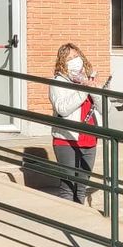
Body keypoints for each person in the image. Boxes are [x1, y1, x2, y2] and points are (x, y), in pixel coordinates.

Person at [49, 43, 98, 203]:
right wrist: (84, 90)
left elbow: (107, 109)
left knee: (82, 186)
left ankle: (79, 223)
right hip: (67, 139)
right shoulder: (57, 82)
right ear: (62, 62)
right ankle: (67, 223)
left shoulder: (87, 79)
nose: (74, 60)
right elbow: (62, 109)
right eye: (69, 58)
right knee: (68, 187)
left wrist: (95, 90)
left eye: (76, 56)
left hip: (89, 137)